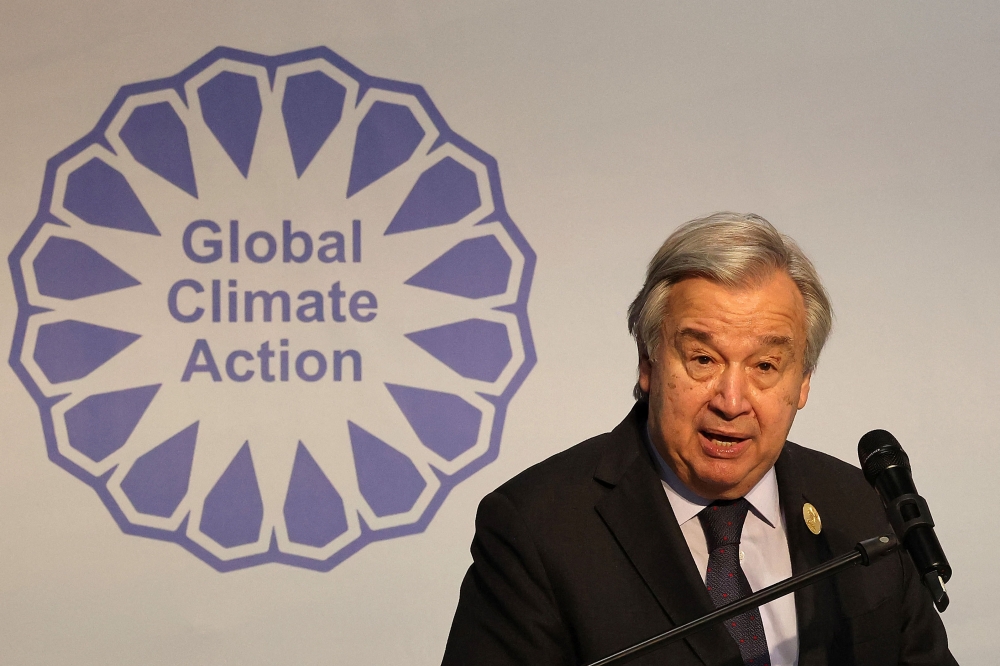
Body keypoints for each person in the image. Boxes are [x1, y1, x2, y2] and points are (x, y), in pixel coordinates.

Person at [441, 213, 957, 666]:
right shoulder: (538, 528)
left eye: (765, 366)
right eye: (703, 359)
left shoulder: (861, 515)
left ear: (802, 384)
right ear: (648, 363)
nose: (731, 401)